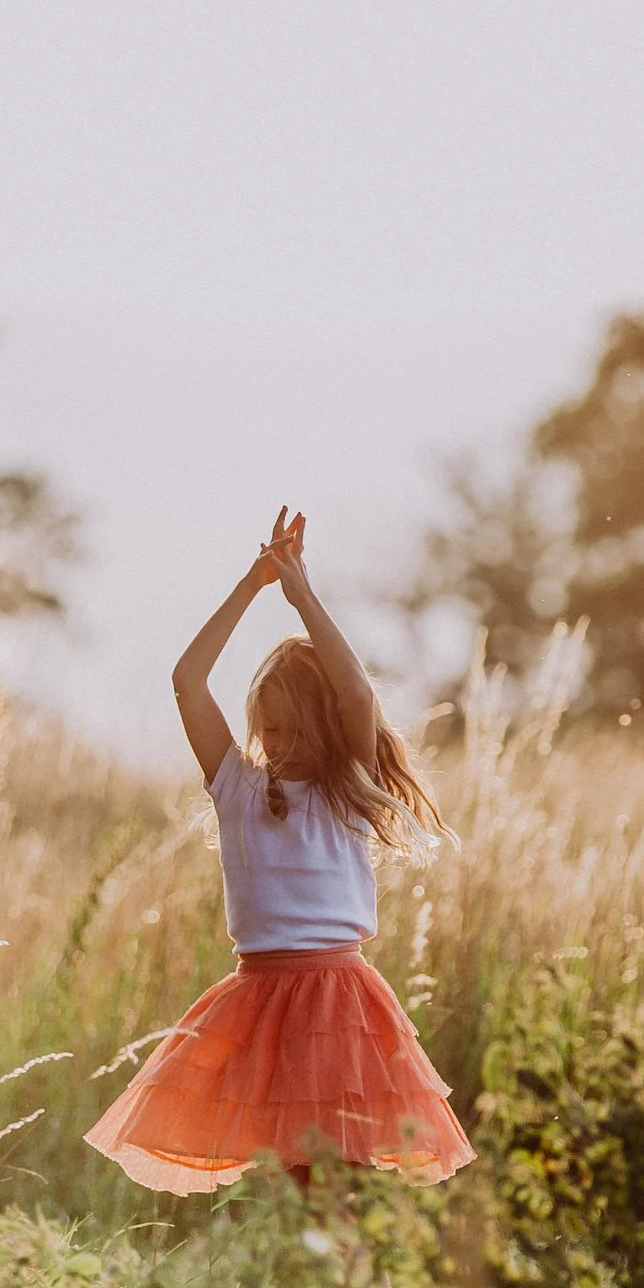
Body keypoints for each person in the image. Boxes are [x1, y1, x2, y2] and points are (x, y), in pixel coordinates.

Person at [84, 507, 476, 1194]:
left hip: (338, 1001)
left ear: (323, 728)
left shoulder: (347, 788)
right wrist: (253, 582)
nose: (279, 744)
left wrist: (300, 593)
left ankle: (345, 1286)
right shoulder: (236, 785)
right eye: (268, 728)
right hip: (260, 998)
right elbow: (187, 680)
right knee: (297, 1185)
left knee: (336, 1180)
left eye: (294, 729)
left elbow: (356, 691)